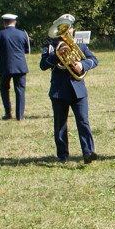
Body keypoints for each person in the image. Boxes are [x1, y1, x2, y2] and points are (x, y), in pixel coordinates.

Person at [40, 14, 99, 163]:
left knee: (83, 121)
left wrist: (82, 66)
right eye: (65, 28)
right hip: (59, 91)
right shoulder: (51, 46)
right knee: (60, 124)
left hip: (78, 90)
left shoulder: (80, 46)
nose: (69, 31)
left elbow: (94, 60)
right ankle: (63, 155)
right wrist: (56, 55)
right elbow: (43, 65)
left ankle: (88, 152)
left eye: (70, 28)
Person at [0, 13, 30, 120]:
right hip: (20, 66)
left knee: (4, 89)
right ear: (15, 22)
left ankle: (8, 112)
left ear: (4, 23)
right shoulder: (23, 34)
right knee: (20, 90)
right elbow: (27, 49)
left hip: (5, 65)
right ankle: (19, 115)